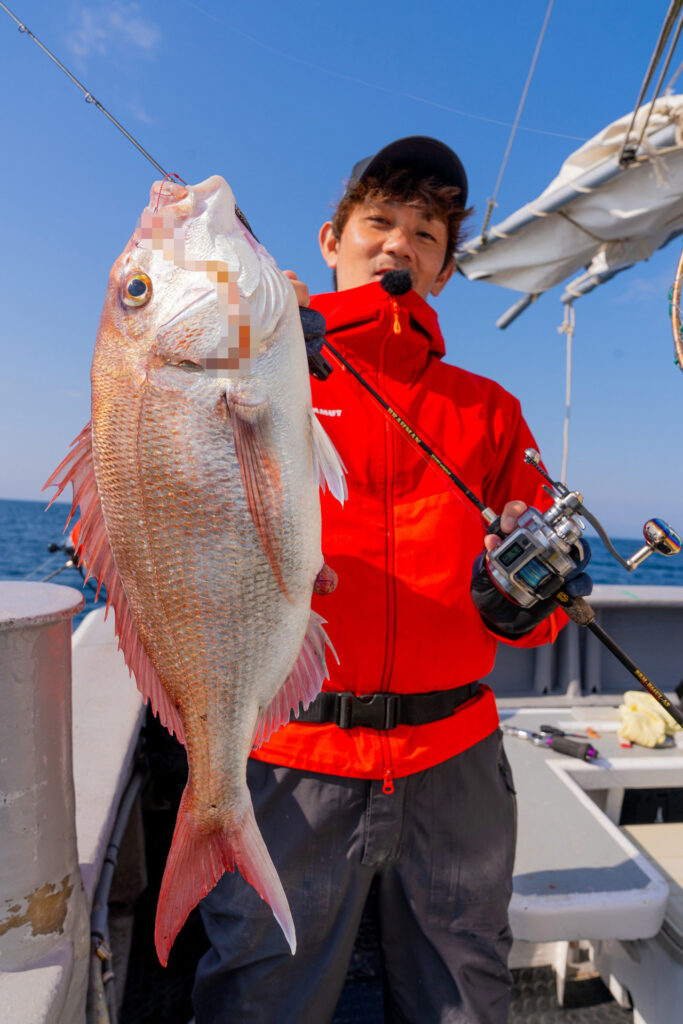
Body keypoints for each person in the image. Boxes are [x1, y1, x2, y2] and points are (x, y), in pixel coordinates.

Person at [193, 136, 590, 1024]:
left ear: (442, 272)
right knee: (259, 992)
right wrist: (246, 338)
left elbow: (542, 601)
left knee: (465, 995)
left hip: (454, 759)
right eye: (378, 221)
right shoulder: (253, 362)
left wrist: (521, 602)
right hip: (290, 749)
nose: (398, 243)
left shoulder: (489, 411)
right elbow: (165, 464)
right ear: (330, 240)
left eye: (425, 233)